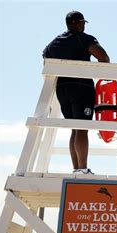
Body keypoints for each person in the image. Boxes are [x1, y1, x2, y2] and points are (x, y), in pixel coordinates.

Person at [43, 11, 110, 174]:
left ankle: (77, 169)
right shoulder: (85, 38)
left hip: (62, 90)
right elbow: (104, 58)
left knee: (74, 128)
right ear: (79, 23)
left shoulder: (55, 42)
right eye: (83, 23)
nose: (84, 26)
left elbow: (45, 57)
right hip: (81, 88)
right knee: (82, 128)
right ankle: (83, 169)